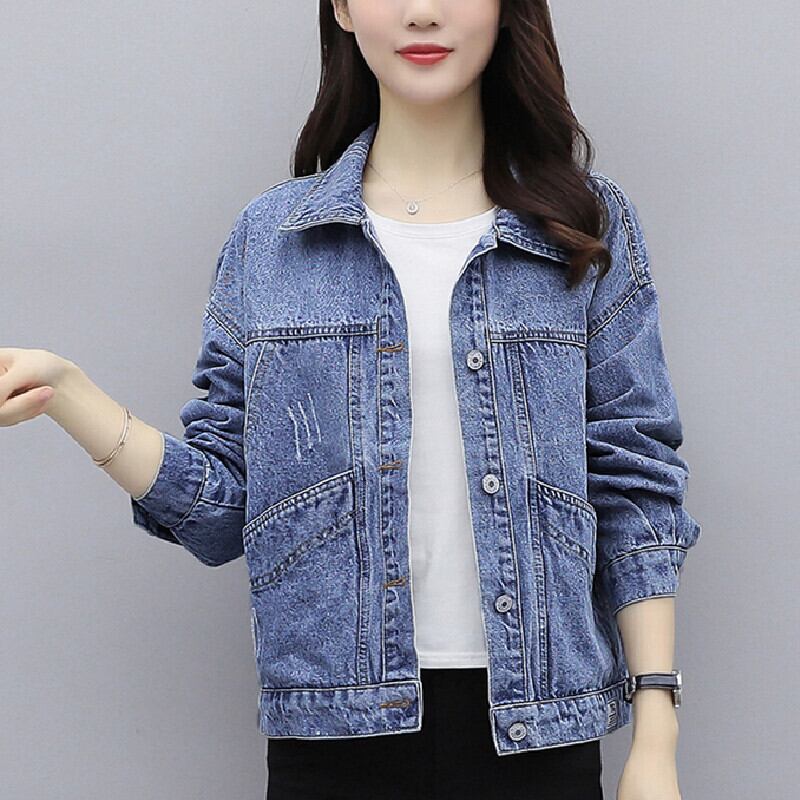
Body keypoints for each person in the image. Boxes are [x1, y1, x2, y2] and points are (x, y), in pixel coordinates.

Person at [0, 1, 702, 798]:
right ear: (340, 7)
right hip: (333, 739)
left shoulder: (585, 225)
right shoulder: (272, 239)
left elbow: (634, 480)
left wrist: (656, 734)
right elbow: (223, 513)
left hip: (541, 735)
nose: (422, 12)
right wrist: (68, 393)